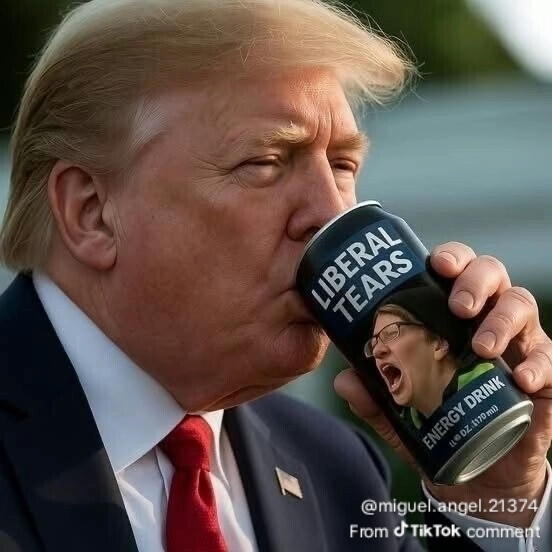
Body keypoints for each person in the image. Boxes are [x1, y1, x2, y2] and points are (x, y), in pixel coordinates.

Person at [0, 1, 550, 551]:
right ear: (92, 213)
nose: (331, 213)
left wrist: (497, 504)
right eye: (264, 162)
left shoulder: (334, 468)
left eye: (342, 165)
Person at [366, 286, 493, 428]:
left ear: (439, 344)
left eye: (391, 333)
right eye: (373, 344)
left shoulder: (487, 379)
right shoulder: (408, 425)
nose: (376, 351)